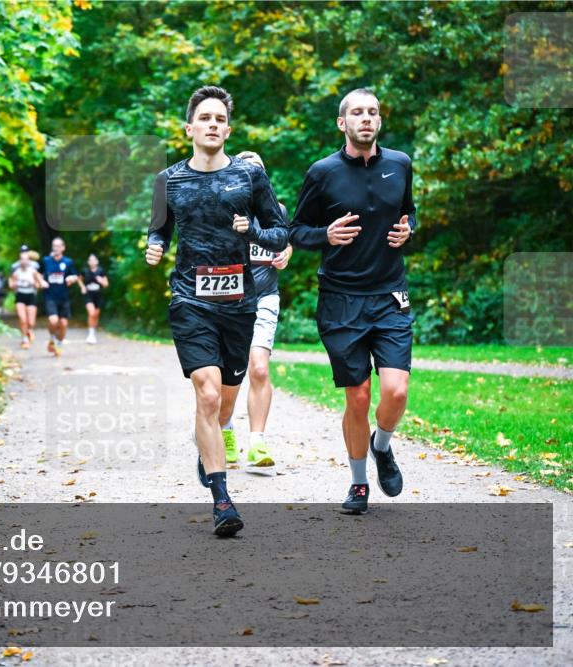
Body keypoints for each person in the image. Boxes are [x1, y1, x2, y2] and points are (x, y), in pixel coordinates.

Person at [146, 85, 289, 536]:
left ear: (227, 129)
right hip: (190, 299)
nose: (212, 125)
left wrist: (254, 233)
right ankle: (223, 500)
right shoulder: (168, 180)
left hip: (239, 302)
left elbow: (281, 233)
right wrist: (154, 246)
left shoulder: (250, 177)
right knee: (206, 395)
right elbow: (159, 230)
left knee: (226, 393)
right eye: (203, 118)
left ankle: (209, 444)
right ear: (190, 128)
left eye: (219, 119)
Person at [289, 88, 416, 515]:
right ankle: (359, 482)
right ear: (342, 123)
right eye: (357, 113)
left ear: (380, 121)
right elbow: (295, 230)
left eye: (373, 112)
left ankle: (383, 446)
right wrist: (325, 235)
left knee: (395, 392)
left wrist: (408, 229)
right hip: (341, 299)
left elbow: (409, 212)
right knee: (358, 397)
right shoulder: (323, 172)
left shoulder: (400, 164)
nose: (367, 118)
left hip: (389, 294)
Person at [218, 151, 294, 474]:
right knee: (228, 378)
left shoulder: (277, 210)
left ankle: (258, 442)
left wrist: (286, 253)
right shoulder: (224, 210)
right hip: (230, 302)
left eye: (257, 171)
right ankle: (224, 428)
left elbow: (286, 241)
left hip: (265, 297)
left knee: (259, 369)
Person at [42, 237, 79, 357]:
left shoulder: (68, 262)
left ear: (63, 248)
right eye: (54, 246)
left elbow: (75, 276)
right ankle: (52, 338)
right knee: (53, 321)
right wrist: (40, 281)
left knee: (63, 324)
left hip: (64, 297)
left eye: (58, 246)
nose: (56, 248)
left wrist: (71, 279)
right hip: (50, 296)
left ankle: (59, 342)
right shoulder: (46, 261)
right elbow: (37, 273)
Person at [10, 248, 44, 349]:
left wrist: (33, 283)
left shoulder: (33, 271)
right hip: (20, 295)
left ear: (29, 261)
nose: (24, 261)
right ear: (20, 260)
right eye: (22, 259)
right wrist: (15, 284)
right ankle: (24, 338)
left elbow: (39, 284)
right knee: (22, 318)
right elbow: (11, 284)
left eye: (26, 259)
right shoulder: (16, 271)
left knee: (31, 322)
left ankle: (29, 330)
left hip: (31, 296)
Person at [79, 253, 109, 345]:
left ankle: (93, 332)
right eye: (90, 260)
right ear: (88, 262)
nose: (92, 261)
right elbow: (79, 279)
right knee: (91, 313)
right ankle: (90, 334)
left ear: (97, 261)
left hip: (98, 295)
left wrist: (101, 281)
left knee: (95, 315)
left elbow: (106, 284)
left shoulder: (101, 271)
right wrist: (82, 287)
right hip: (88, 294)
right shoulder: (85, 271)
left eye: (94, 260)